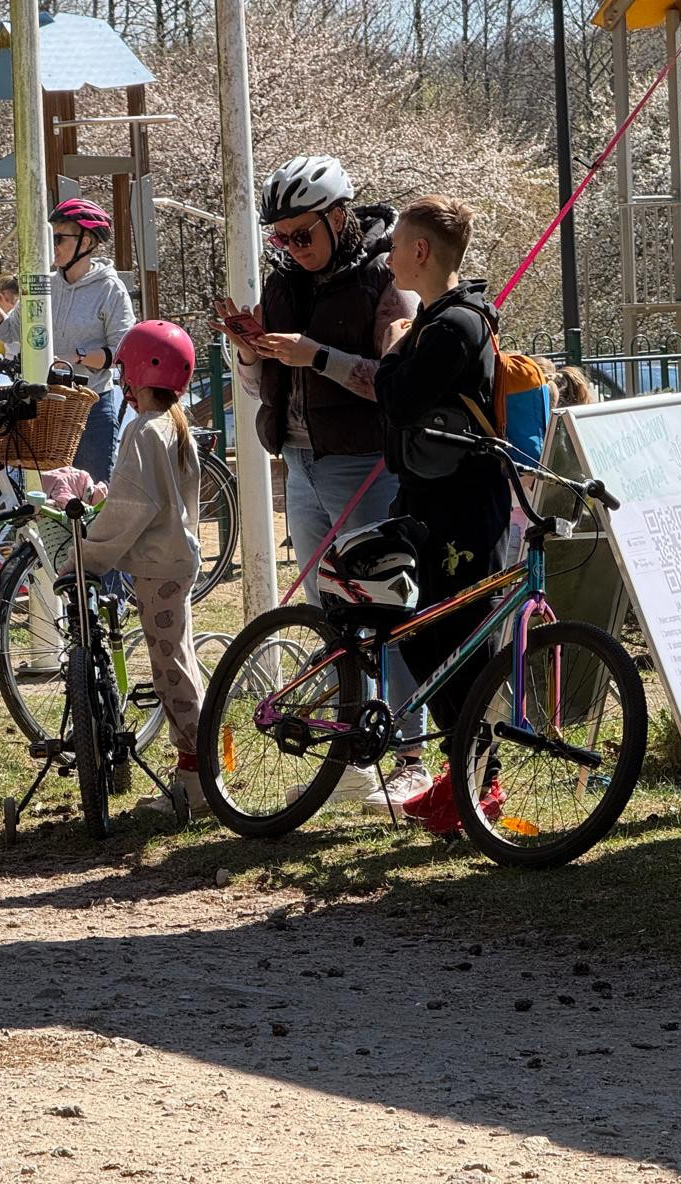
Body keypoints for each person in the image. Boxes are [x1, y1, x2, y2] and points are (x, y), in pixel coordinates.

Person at [210, 153, 428, 811]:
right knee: (333, 616)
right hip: (299, 466)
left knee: (390, 611)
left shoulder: (385, 283)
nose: (290, 248)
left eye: (302, 234)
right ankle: (349, 759)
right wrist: (250, 349)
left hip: (367, 466)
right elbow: (260, 386)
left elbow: (392, 380)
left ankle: (411, 757)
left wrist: (316, 355)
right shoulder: (283, 285)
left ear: (341, 218)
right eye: (280, 237)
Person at [374, 194, 512, 829]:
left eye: (398, 243)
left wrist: (393, 350)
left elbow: (398, 401)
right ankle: (466, 775)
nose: (390, 255)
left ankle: (480, 787)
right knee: (422, 632)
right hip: (428, 501)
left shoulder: (454, 326)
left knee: (455, 638)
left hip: (462, 508)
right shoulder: (439, 320)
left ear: (422, 251)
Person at [64, 320, 207, 818]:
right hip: (175, 559)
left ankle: (197, 781)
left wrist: (83, 555)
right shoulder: (173, 425)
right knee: (178, 660)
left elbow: (131, 508)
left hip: (157, 566)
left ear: (139, 373)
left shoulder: (144, 431)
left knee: (170, 670)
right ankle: (198, 771)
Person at [0, 197, 135, 483]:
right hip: (44, 405)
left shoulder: (110, 290)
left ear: (87, 242)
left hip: (91, 407)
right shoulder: (43, 284)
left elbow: (120, 353)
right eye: (48, 237)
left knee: (93, 494)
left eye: (59, 238)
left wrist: (74, 358)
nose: (51, 245)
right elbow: (7, 331)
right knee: (45, 497)